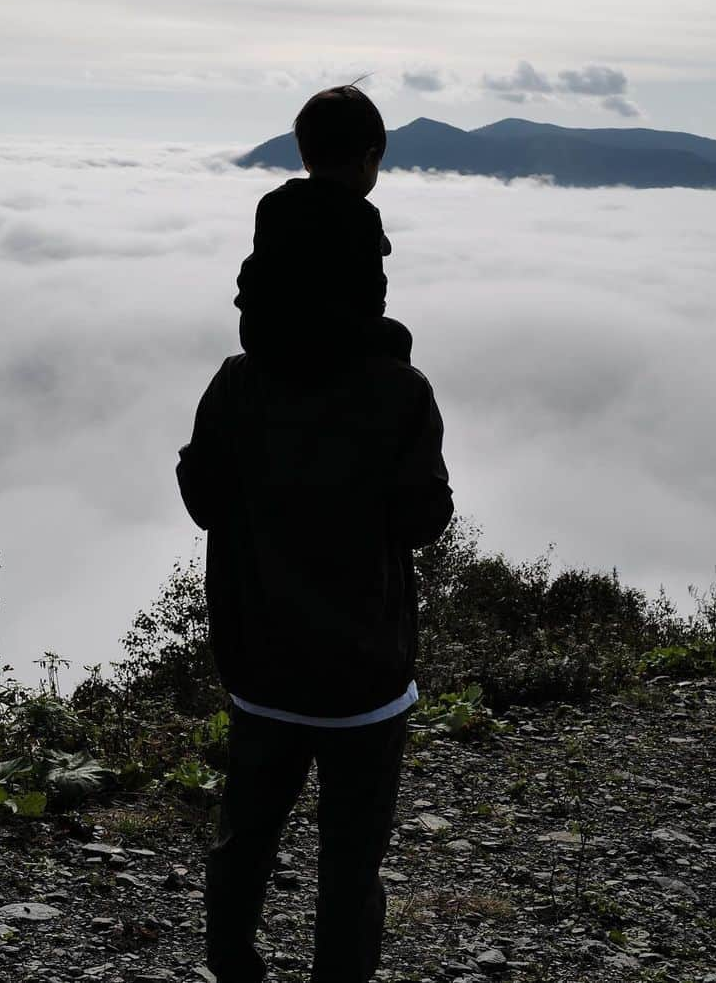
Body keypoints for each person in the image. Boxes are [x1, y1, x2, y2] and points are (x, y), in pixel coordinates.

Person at [176, 348, 453, 983]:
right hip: (367, 680)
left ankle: (235, 970)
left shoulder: (238, 382)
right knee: (353, 863)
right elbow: (423, 518)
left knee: (245, 842)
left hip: (262, 669)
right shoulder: (399, 388)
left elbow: (203, 499)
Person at [234, 83, 413, 380]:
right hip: (333, 344)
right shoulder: (363, 216)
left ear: (306, 159)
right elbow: (370, 300)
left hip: (261, 336)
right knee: (397, 337)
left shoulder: (273, 205)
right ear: (369, 160)